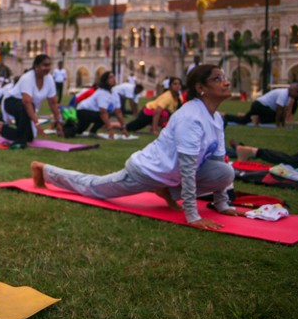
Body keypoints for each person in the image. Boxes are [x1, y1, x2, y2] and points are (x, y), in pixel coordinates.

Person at [32, 64, 244, 230]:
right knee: (93, 187)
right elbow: (187, 167)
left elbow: (217, 162)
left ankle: (167, 191)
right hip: (146, 171)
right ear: (200, 88)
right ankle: (45, 170)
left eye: (225, 78)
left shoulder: (215, 118)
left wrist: (222, 204)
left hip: (172, 175)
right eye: (218, 78)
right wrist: (193, 216)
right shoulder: (191, 117)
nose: (226, 82)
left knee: (226, 172)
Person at [0, 54, 64, 148]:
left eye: (49, 65)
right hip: (11, 102)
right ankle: (20, 142)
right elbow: (26, 102)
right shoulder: (27, 78)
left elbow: (53, 103)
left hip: (26, 107)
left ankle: (3, 130)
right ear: (36, 66)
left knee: (29, 137)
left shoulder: (49, 79)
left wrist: (58, 121)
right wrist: (37, 123)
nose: (47, 68)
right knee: (25, 111)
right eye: (44, 65)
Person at [223, 83, 298, 127]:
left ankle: (226, 116)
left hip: (260, 106)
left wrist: (282, 124)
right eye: (297, 92)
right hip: (259, 106)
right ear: (291, 89)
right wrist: (279, 126)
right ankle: (257, 118)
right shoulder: (283, 94)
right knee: (276, 116)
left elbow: (283, 113)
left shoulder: (288, 97)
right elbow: (279, 112)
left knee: (243, 121)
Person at [75, 71, 127, 138]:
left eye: (113, 77)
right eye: (110, 77)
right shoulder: (102, 92)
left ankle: (91, 131)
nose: (113, 79)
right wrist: (109, 128)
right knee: (105, 115)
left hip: (93, 112)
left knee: (78, 131)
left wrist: (123, 127)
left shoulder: (115, 93)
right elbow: (103, 112)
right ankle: (92, 131)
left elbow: (118, 111)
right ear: (105, 80)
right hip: (83, 111)